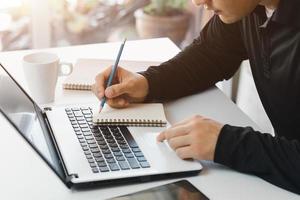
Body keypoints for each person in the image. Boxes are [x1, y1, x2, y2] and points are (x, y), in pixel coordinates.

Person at [92, 0, 300, 194]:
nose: (198, 2)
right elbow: (211, 53)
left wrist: (225, 143)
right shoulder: (249, 8)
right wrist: (147, 83)